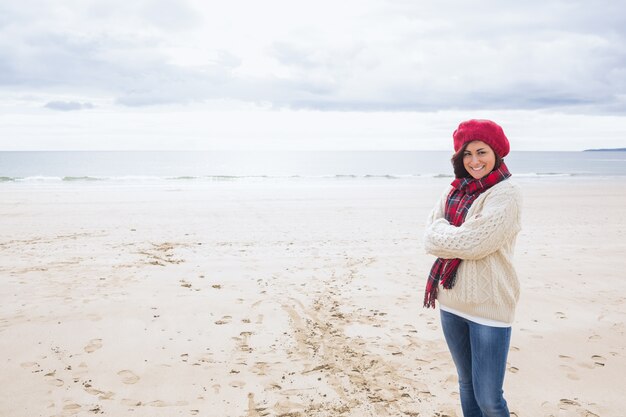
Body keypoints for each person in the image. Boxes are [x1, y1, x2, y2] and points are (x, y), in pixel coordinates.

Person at [423, 119, 522, 417]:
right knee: (466, 385)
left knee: (490, 398)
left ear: (496, 153)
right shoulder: (454, 190)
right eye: (467, 154)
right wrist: (456, 235)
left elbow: (475, 243)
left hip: (489, 307)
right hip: (451, 302)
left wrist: (447, 233)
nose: (474, 161)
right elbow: (429, 237)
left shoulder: (505, 194)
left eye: (481, 152)